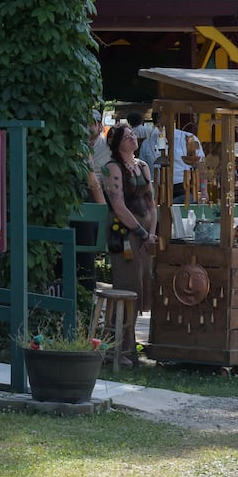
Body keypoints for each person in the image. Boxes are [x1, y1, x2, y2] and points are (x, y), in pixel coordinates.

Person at [102, 120, 157, 366]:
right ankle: (119, 349)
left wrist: (151, 233)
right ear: (117, 143)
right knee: (127, 287)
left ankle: (129, 348)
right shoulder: (112, 168)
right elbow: (118, 205)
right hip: (125, 236)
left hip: (146, 236)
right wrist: (141, 232)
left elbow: (152, 202)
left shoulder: (143, 166)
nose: (133, 138)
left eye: (133, 134)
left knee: (142, 286)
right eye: (127, 136)